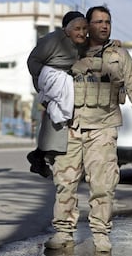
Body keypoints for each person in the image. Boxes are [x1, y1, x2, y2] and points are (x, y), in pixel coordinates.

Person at [44, 5, 132, 253]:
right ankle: (63, 231)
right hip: (71, 126)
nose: (104, 26)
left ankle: (101, 233)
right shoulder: (69, 50)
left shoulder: (118, 55)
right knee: (65, 182)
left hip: (103, 128)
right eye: (99, 22)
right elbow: (44, 72)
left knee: (103, 185)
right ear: (87, 24)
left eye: (108, 21)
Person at [26, 11, 88, 178]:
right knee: (60, 111)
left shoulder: (83, 42)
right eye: (77, 28)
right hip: (48, 78)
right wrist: (48, 82)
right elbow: (32, 61)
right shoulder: (52, 40)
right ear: (66, 30)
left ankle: (40, 155)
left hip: (65, 81)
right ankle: (43, 156)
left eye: (84, 28)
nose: (82, 32)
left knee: (57, 116)